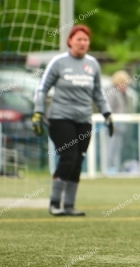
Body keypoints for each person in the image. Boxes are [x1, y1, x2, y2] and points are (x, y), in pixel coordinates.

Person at [32, 25, 114, 217]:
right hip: (60, 118)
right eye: (79, 39)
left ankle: (69, 205)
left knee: (78, 160)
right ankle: (54, 203)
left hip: (84, 120)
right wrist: (38, 112)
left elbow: (98, 93)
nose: (82, 43)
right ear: (70, 41)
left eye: (86, 40)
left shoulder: (92, 64)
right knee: (68, 157)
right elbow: (42, 88)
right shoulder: (59, 62)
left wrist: (107, 115)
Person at [106, 70, 133, 175]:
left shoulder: (124, 94)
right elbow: (107, 109)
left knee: (117, 149)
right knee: (109, 148)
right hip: (111, 126)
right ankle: (108, 169)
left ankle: (115, 170)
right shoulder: (111, 92)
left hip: (120, 126)